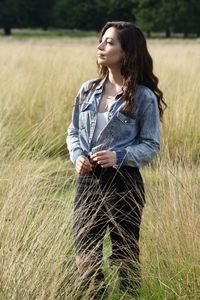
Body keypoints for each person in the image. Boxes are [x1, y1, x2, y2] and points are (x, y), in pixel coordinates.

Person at [66, 21, 166, 297]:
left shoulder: (143, 96)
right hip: (87, 182)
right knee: (85, 258)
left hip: (124, 183)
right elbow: (73, 132)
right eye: (102, 40)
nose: (101, 46)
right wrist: (77, 156)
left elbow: (150, 145)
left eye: (109, 42)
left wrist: (119, 155)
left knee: (124, 258)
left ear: (127, 51)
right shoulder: (87, 89)